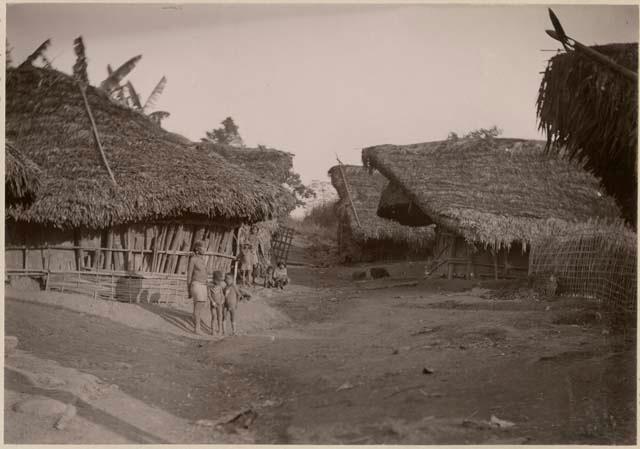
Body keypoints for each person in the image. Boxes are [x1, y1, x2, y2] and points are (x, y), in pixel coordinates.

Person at [187, 241, 208, 335]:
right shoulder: (193, 259)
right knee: (198, 306)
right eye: (203, 247)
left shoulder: (202, 259)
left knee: (200, 306)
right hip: (196, 284)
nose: (205, 249)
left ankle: (196, 322)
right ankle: (197, 328)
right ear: (197, 249)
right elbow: (189, 275)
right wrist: (188, 289)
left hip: (203, 285)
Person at [208, 271, 226, 336]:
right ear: (214, 279)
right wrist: (212, 301)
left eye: (219, 281)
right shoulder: (210, 286)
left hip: (220, 304)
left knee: (220, 317)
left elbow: (222, 294)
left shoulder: (220, 286)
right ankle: (213, 331)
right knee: (214, 316)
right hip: (213, 304)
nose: (218, 282)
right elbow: (209, 295)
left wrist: (223, 300)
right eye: (217, 280)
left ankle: (220, 330)